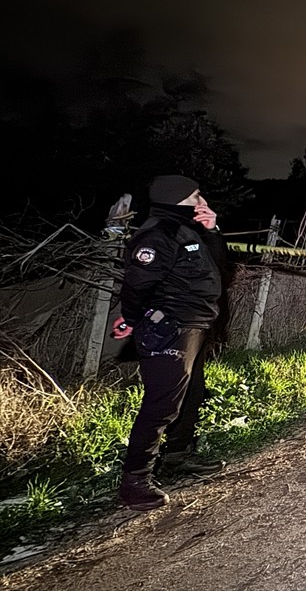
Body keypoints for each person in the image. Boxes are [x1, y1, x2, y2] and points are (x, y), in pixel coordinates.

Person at [110, 175, 226, 511]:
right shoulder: (157, 233)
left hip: (195, 324)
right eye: (196, 197)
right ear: (176, 201)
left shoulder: (187, 230)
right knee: (162, 404)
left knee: (191, 392)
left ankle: (177, 455)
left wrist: (213, 230)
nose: (202, 203)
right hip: (169, 326)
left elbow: (217, 268)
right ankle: (135, 481)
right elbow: (137, 283)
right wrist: (131, 319)